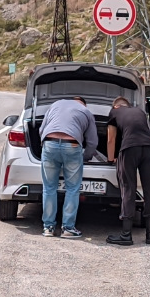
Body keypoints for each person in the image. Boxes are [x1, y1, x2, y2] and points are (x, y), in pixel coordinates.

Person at [104, 93, 150, 246]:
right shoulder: (139, 111)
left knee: (128, 187)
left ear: (116, 106)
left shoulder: (114, 112)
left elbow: (111, 138)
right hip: (149, 148)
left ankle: (126, 235)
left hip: (129, 148)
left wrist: (110, 159)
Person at [40, 92, 97, 239]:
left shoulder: (56, 104)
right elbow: (92, 142)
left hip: (49, 143)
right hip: (72, 145)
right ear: (84, 104)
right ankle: (68, 228)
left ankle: (48, 228)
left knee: (49, 187)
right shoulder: (86, 111)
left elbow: (41, 130)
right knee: (72, 189)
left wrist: (45, 147)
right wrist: (85, 157)